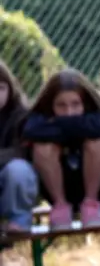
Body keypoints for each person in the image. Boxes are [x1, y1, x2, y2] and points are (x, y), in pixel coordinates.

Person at [21, 69, 100, 229]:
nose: (69, 112)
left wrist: (59, 126)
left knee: (97, 143)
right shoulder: (38, 117)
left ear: (85, 103)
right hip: (57, 186)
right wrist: (76, 128)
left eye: (75, 104)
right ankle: (60, 206)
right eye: (61, 106)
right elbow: (31, 131)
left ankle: (91, 204)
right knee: (43, 147)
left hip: (98, 185)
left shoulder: (97, 114)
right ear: (50, 104)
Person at [0, 61, 38, 234]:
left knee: (18, 169)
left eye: (1, 88)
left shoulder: (21, 116)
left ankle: (19, 221)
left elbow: (21, 152)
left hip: (16, 185)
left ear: (10, 89)